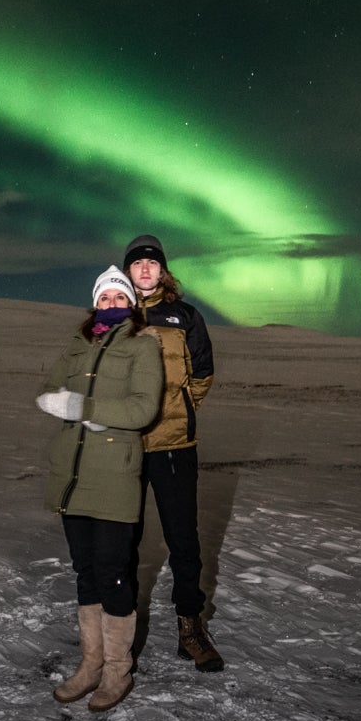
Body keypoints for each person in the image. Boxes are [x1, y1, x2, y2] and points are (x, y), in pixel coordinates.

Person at [36, 265, 163, 712]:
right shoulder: (78, 344)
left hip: (113, 474)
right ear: (95, 303)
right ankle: (89, 666)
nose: (111, 304)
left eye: (119, 297)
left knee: (113, 571)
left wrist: (84, 406)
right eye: (104, 298)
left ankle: (116, 672)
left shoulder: (142, 346)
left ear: (130, 304)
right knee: (85, 570)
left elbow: (144, 408)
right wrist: (57, 401)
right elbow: (49, 388)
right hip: (74, 472)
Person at [121, 234, 225, 672]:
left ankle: (190, 627)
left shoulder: (185, 317)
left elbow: (202, 373)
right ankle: (119, 632)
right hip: (123, 448)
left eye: (152, 263)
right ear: (127, 271)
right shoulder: (115, 313)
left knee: (183, 539)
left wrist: (177, 410)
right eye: (137, 263)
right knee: (122, 540)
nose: (145, 269)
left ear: (163, 271)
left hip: (174, 447)